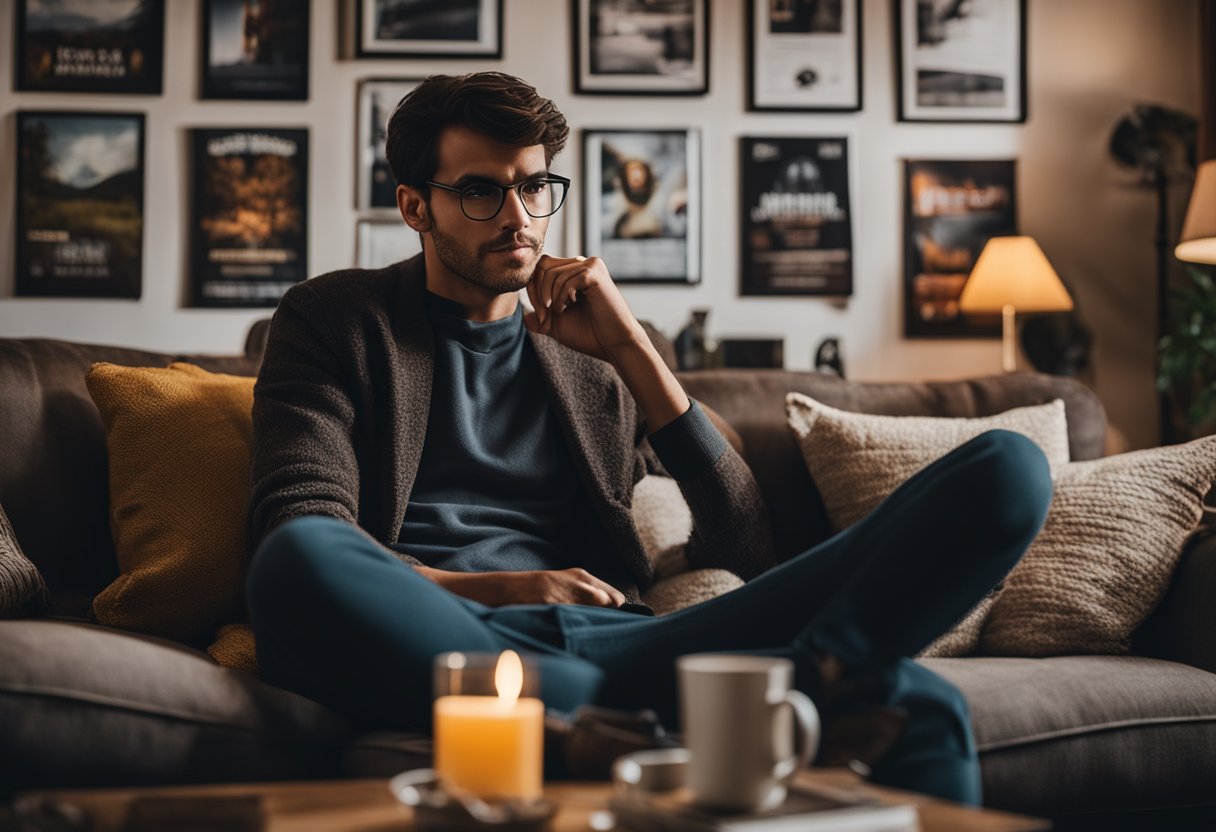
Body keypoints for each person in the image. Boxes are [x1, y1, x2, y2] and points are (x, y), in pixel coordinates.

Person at [245, 71, 1052, 806]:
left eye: (535, 188)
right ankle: (637, 709)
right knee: (298, 558)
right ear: (416, 206)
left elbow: (743, 541)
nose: (520, 220)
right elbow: (298, 528)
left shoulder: (594, 357)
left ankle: (791, 675)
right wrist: (505, 589)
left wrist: (633, 348)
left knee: (1006, 473)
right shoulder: (335, 320)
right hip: (434, 634)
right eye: (483, 193)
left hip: (627, 643)